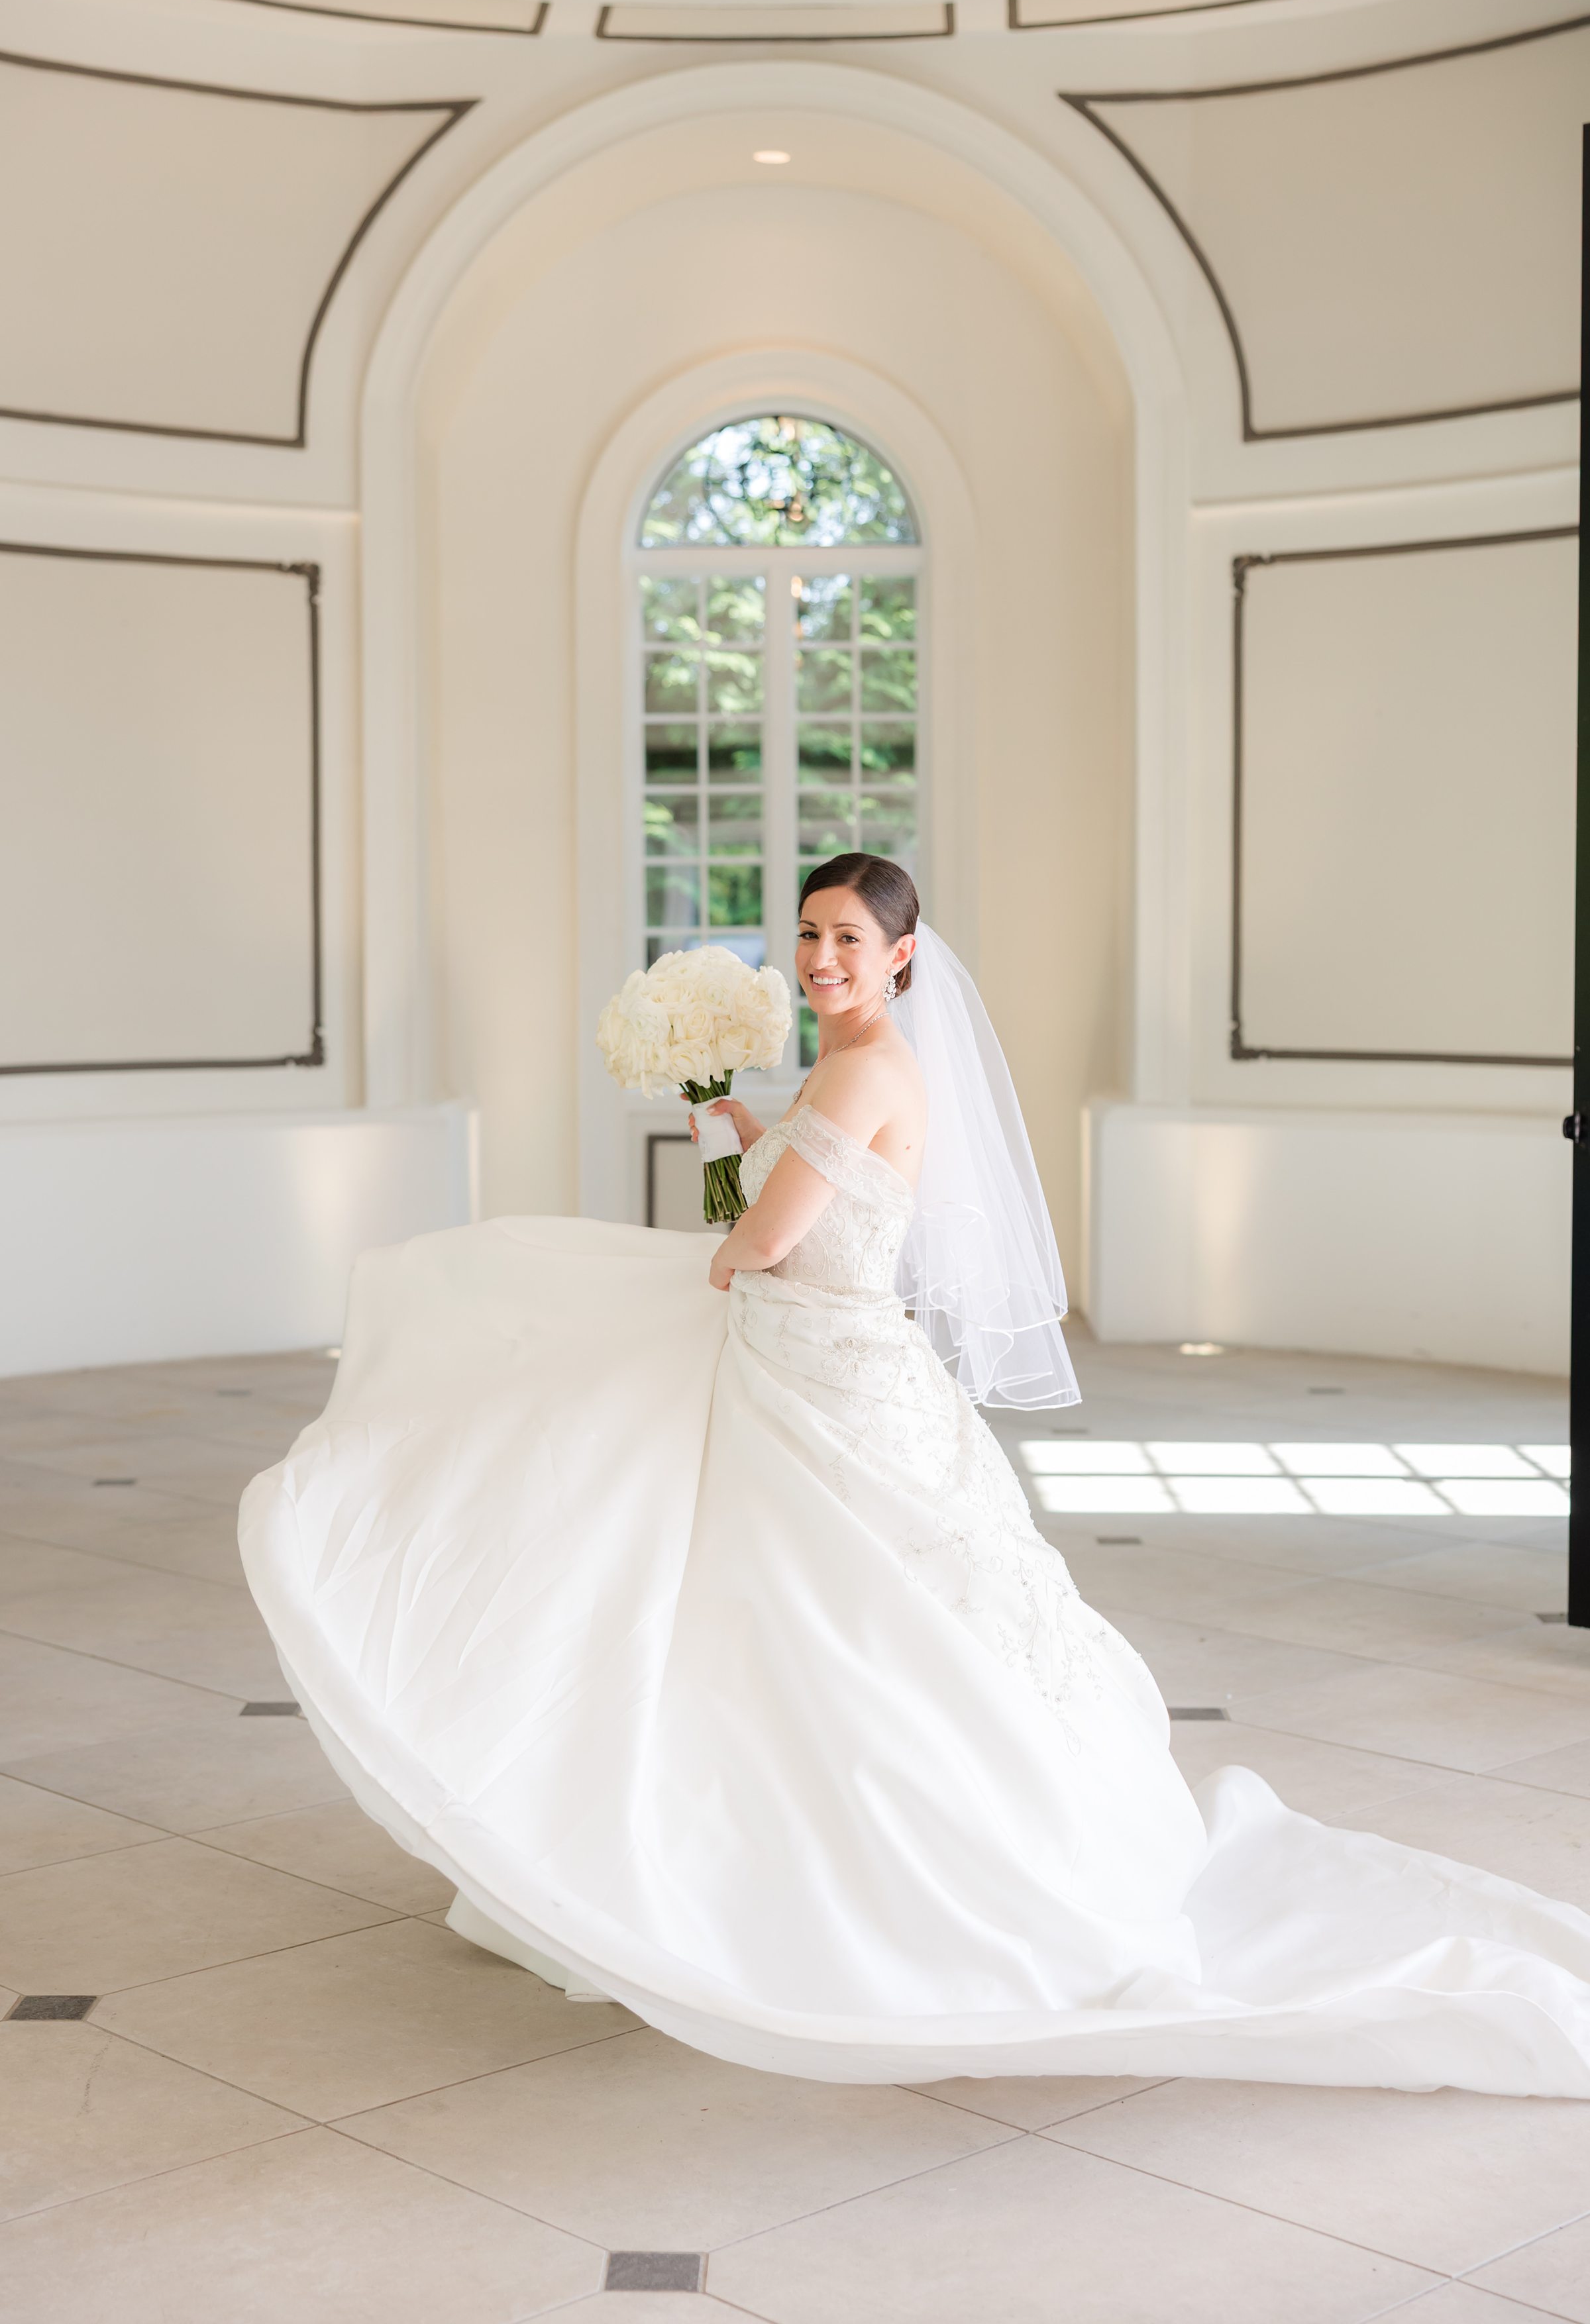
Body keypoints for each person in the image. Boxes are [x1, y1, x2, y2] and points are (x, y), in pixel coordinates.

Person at [240, 855, 1590, 2093]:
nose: (821, 955)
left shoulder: (864, 1072)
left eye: (847, 937)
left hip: (826, 1384)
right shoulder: (848, 1074)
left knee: (830, 1628)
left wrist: (738, 1212)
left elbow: (753, 1248)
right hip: (792, 1373)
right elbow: (746, 1218)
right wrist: (719, 1111)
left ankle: (856, 1895)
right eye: (809, 934)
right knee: (756, 1626)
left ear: (902, 955)